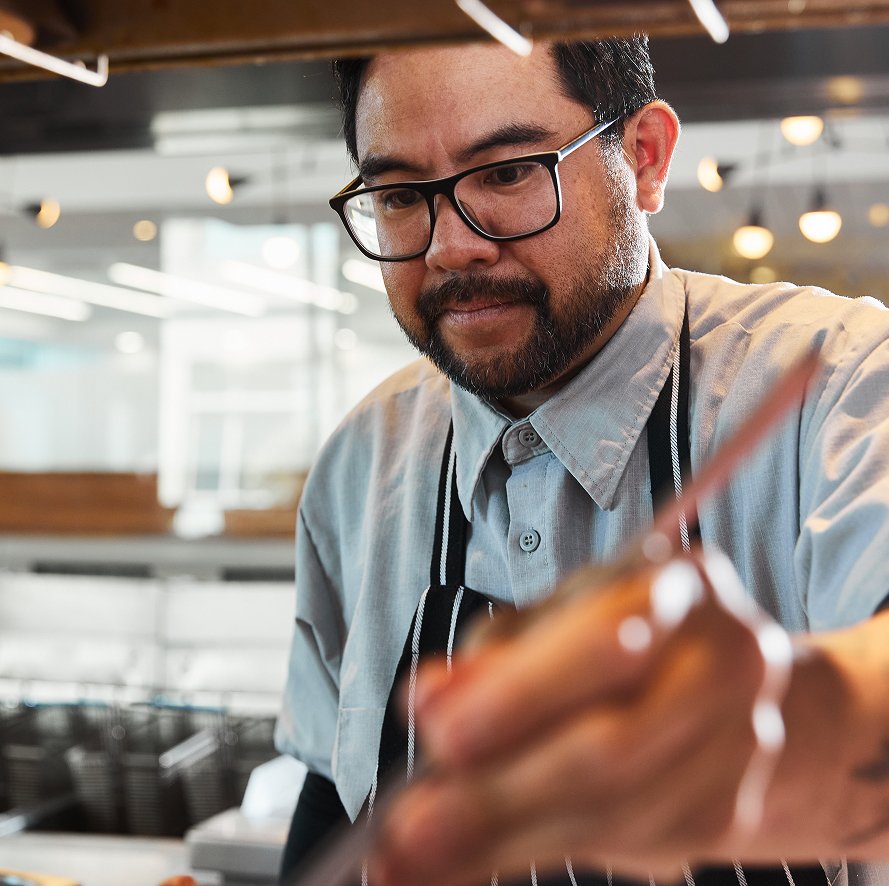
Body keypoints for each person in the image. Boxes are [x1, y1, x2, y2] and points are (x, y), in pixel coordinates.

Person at [274, 35, 889, 886]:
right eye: (401, 194)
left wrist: (794, 725)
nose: (452, 247)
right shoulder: (359, 466)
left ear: (643, 157)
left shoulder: (841, 382)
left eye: (508, 173)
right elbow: (329, 798)